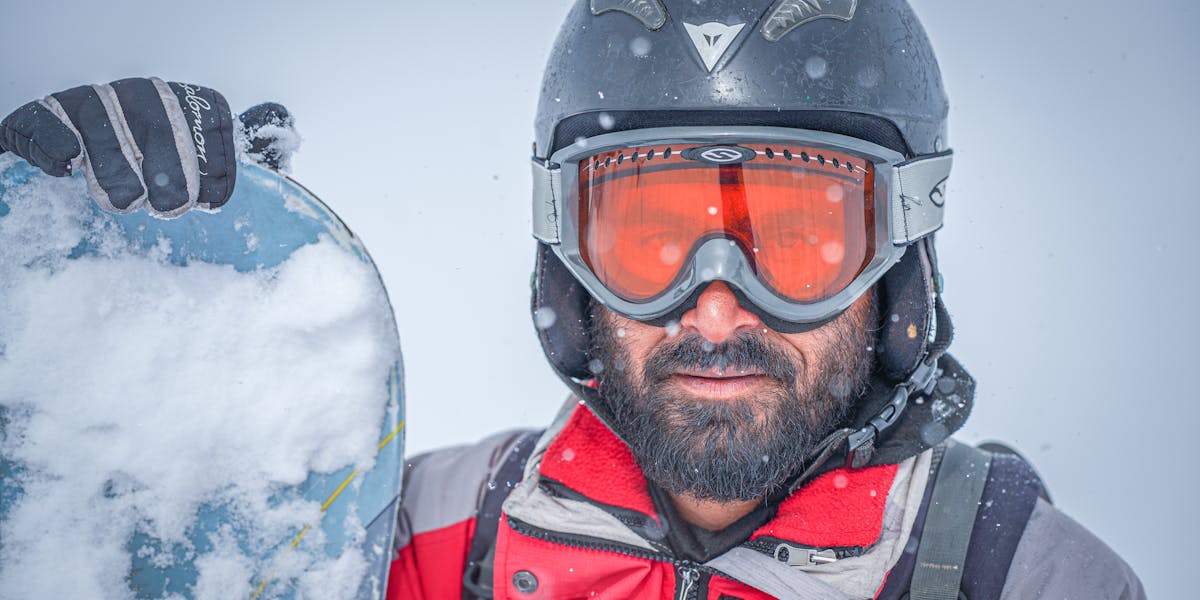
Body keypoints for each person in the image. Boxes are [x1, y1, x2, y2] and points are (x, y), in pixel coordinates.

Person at [0, 1, 1145, 598]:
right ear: (566, 266)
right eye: (647, 233)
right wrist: (101, 340)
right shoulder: (408, 544)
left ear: (898, 264)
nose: (714, 307)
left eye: (795, 236)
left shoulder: (1029, 582)